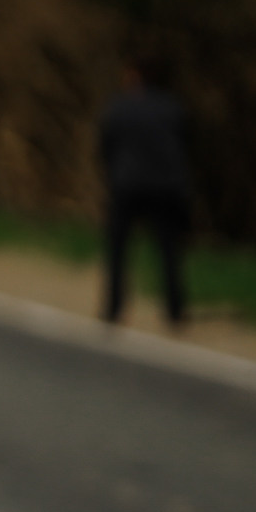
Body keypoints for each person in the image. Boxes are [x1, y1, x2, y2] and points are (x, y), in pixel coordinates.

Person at [97, 50, 190, 326]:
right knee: (169, 252)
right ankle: (175, 312)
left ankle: (113, 309)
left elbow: (105, 146)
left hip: (127, 186)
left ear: (133, 75)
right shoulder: (172, 107)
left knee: (118, 250)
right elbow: (186, 144)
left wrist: (114, 172)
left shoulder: (119, 107)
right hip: (166, 187)